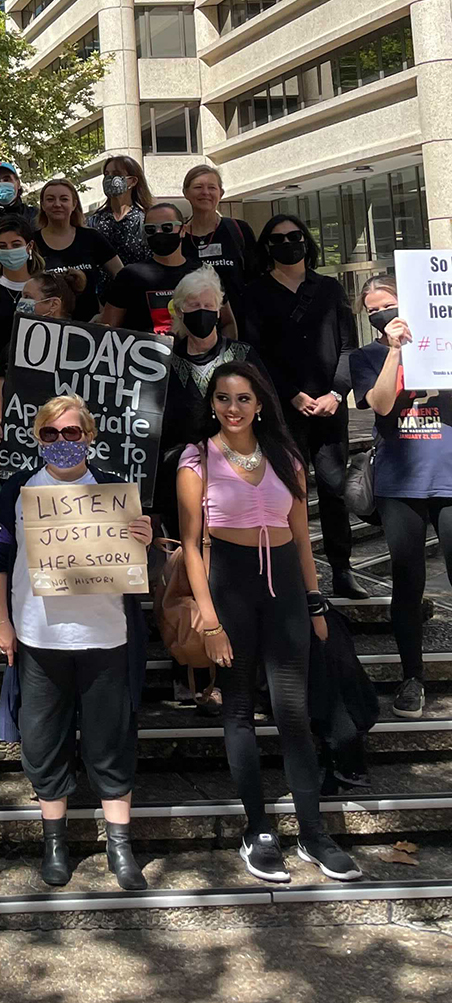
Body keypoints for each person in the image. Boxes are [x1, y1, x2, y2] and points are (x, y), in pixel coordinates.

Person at [177, 360, 361, 884]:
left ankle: (312, 832)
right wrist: (209, 621)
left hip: (284, 591)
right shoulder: (197, 460)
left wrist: (315, 601)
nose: (232, 409)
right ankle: (257, 830)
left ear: (260, 404)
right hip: (229, 591)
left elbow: (302, 538)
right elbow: (191, 547)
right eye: (222, 399)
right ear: (211, 404)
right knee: (237, 710)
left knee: (294, 712)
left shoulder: (286, 457)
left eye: (242, 399)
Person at [0, 394, 150, 891]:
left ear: (90, 437)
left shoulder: (115, 493)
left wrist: (142, 537)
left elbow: (138, 569)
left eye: (72, 433)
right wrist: (1, 622)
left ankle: (119, 845)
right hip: (39, 637)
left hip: (107, 636)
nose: (61, 442)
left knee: (110, 741)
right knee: (43, 742)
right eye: (51, 434)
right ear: (37, 439)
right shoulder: (15, 490)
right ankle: (54, 841)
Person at [0, 243, 83, 607]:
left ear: (52, 305)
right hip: (16, 439)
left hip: (63, 448)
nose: (21, 304)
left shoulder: (90, 345)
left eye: (28, 297)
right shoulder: (17, 343)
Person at [245, 214, 365, 598]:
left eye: (294, 237)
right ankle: (289, 571)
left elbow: (348, 347)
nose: (287, 243)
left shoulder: (329, 290)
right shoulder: (256, 293)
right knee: (284, 492)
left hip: (330, 408)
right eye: (278, 239)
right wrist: (290, 394)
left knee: (333, 490)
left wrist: (336, 393)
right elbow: (255, 354)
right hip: (283, 409)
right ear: (267, 247)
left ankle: (343, 570)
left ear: (306, 241)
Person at [350, 274, 452, 718]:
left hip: (449, 477)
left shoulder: (444, 344)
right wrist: (394, 349)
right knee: (407, 583)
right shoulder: (367, 355)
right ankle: (413, 677)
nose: (380, 314)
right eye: (371, 310)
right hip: (400, 483)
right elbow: (382, 404)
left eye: (386, 304)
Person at [157, 266, 270, 537]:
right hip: (180, 478)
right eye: (194, 305)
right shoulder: (163, 361)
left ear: (219, 311)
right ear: (180, 311)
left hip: (239, 475)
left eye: (208, 305)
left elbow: (268, 411)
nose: (202, 311)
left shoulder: (243, 356)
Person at [99, 203, 202, 333]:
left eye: (167, 227)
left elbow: (227, 322)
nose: (159, 233)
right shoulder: (130, 276)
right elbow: (107, 331)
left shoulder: (202, 272)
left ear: (183, 230)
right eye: (151, 229)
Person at [32, 179, 121, 322]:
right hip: (45, 326)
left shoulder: (92, 238)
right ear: (42, 205)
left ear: (74, 204)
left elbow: (122, 276)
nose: (57, 204)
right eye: (50, 199)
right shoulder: (32, 242)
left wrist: (107, 312)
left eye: (64, 199)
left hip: (90, 326)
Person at [181, 164, 256, 323]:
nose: (205, 192)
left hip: (239, 325)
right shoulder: (177, 236)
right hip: (192, 328)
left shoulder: (239, 230)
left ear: (221, 193)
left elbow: (255, 278)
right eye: (198, 187)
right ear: (185, 193)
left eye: (212, 187)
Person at [87, 155, 154, 268]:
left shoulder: (145, 220)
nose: (109, 178)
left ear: (132, 181)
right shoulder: (94, 221)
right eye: (106, 174)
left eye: (116, 174)